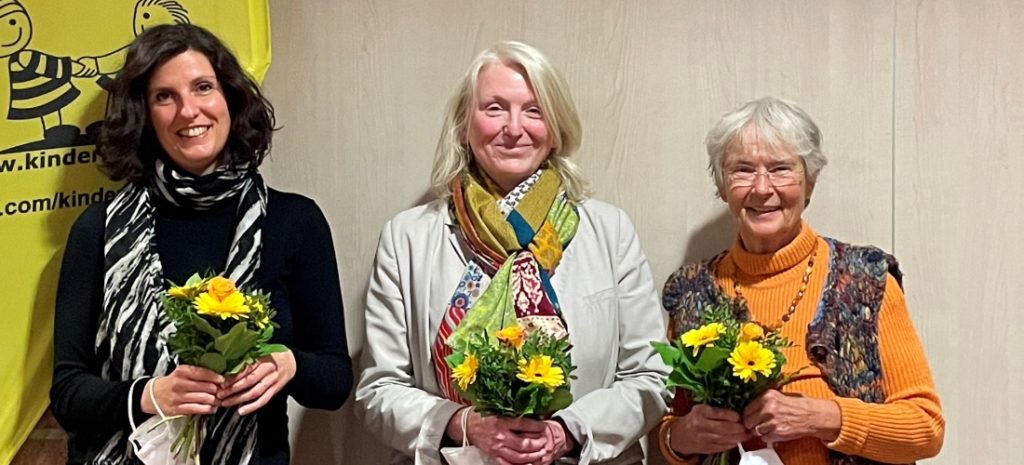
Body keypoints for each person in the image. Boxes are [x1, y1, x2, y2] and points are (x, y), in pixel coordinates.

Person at [50, 24, 351, 465]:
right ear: (144, 114)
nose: (188, 110)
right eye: (164, 96)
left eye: (203, 87)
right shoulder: (99, 229)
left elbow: (335, 381)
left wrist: (289, 365)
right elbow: (67, 394)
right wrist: (150, 395)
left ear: (229, 97)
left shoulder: (295, 222)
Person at [355, 41, 668, 465]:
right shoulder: (407, 237)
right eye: (495, 108)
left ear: (556, 128)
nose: (514, 128)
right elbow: (378, 390)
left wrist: (566, 432)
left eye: (534, 110)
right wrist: (464, 424)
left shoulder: (610, 232)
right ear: (464, 126)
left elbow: (650, 376)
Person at [658, 97, 944, 465]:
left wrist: (823, 417)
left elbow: (925, 428)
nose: (762, 188)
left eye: (780, 169)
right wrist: (681, 438)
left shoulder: (864, 282)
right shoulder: (691, 291)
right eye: (742, 170)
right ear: (722, 185)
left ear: (809, 182)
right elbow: (671, 426)